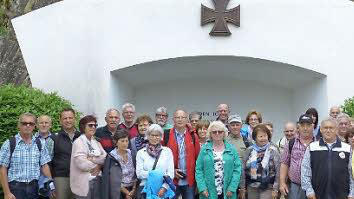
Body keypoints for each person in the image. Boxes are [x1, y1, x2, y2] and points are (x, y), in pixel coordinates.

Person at [0, 113, 53, 199]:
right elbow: (2, 169)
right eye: (24, 123)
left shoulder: (40, 143)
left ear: (34, 126)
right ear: (19, 125)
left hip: (35, 189)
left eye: (31, 123)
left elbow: (44, 166)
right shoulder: (9, 143)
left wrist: (50, 186)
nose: (28, 126)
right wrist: (7, 193)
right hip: (16, 189)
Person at [301, 118, 354, 199]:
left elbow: (351, 173)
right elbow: (305, 170)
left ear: (336, 130)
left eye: (331, 128)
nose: (328, 130)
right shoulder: (312, 147)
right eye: (325, 128)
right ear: (321, 130)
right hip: (317, 195)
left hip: (341, 195)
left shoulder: (347, 148)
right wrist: (309, 191)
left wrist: (351, 193)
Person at [195, 121, 242, 199]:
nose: (217, 134)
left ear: (224, 133)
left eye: (220, 131)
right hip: (208, 192)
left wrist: (232, 188)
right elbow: (198, 170)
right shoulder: (204, 149)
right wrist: (202, 188)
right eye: (214, 132)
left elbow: (237, 169)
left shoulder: (231, 149)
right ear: (210, 134)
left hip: (228, 191)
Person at [164, 109, 200, 199]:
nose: (180, 119)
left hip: (189, 180)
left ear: (187, 120)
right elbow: (162, 158)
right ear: (173, 119)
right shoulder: (166, 135)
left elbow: (198, 158)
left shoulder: (193, 136)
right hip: (171, 180)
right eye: (177, 117)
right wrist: (172, 170)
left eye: (182, 117)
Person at [70, 115, 107, 199]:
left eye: (95, 125)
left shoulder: (96, 142)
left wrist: (92, 159)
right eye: (90, 125)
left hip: (97, 180)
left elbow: (105, 158)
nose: (93, 127)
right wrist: (97, 165)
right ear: (83, 127)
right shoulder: (78, 142)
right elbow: (82, 163)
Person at [279, 114, 314, 199]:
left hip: (314, 186)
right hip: (295, 186)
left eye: (308, 125)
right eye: (302, 125)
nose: (305, 128)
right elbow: (284, 163)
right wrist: (282, 183)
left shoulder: (319, 143)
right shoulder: (291, 143)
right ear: (298, 127)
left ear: (312, 126)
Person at [240, 124, 280, 199]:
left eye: (265, 136)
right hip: (252, 186)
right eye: (260, 136)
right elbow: (242, 168)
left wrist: (275, 189)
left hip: (268, 186)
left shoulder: (273, 150)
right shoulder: (249, 150)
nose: (263, 138)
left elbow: (278, 170)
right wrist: (242, 187)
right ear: (255, 138)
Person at [136, 124, 175, 199]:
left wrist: (164, 187)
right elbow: (139, 174)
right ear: (147, 136)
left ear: (161, 137)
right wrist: (158, 174)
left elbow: (170, 173)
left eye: (157, 135)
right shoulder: (141, 152)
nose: (154, 138)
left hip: (163, 189)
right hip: (146, 188)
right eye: (152, 135)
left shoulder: (167, 151)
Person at [51, 108, 81, 199]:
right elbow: (47, 162)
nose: (68, 120)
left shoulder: (82, 137)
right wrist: (50, 183)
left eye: (70, 118)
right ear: (60, 121)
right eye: (65, 118)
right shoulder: (53, 138)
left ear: (74, 119)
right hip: (61, 178)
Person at [102, 129, 137, 199]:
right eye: (122, 141)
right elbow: (113, 179)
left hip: (133, 190)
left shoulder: (132, 154)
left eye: (126, 141)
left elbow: (136, 174)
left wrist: (133, 190)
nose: (125, 143)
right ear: (116, 142)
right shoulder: (111, 157)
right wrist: (127, 193)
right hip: (118, 191)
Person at [35, 115, 55, 199]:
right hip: (34, 180)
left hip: (50, 179)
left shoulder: (55, 139)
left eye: (46, 123)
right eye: (41, 123)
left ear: (50, 125)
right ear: (36, 125)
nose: (44, 125)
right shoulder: (31, 139)